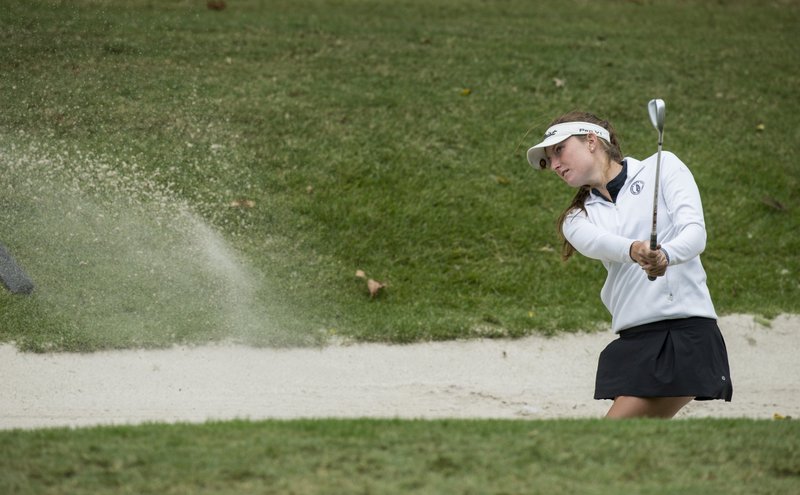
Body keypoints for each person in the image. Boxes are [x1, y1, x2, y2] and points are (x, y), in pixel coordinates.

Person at [526, 111, 733, 418]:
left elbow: (695, 233)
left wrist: (665, 255)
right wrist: (637, 250)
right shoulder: (576, 218)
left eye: (560, 150)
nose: (555, 164)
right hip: (636, 337)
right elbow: (599, 243)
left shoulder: (663, 167)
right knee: (630, 446)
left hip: (685, 331)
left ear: (592, 141)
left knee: (610, 440)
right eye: (549, 159)